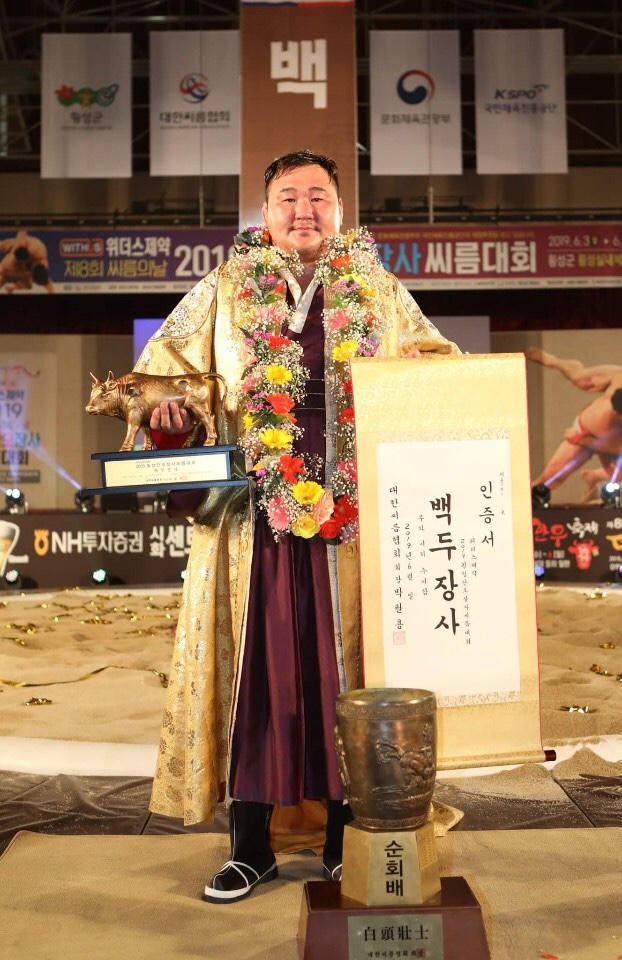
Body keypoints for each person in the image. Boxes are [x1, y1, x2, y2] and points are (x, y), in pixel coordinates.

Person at [135, 150, 458, 904]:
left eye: (318, 195)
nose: (303, 209)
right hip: (251, 522)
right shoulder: (224, 288)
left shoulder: (379, 291)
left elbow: (439, 368)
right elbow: (162, 377)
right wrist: (167, 415)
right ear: (265, 211)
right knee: (256, 677)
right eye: (288, 196)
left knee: (348, 676)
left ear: (341, 211)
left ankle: (349, 842)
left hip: (355, 525)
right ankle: (250, 848)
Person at [527, 348, 622, 497]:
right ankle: (554, 361)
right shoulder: (619, 377)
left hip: (600, 443)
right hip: (586, 430)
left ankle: (594, 477)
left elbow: (616, 448)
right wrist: (583, 440)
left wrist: (586, 441)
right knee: (549, 481)